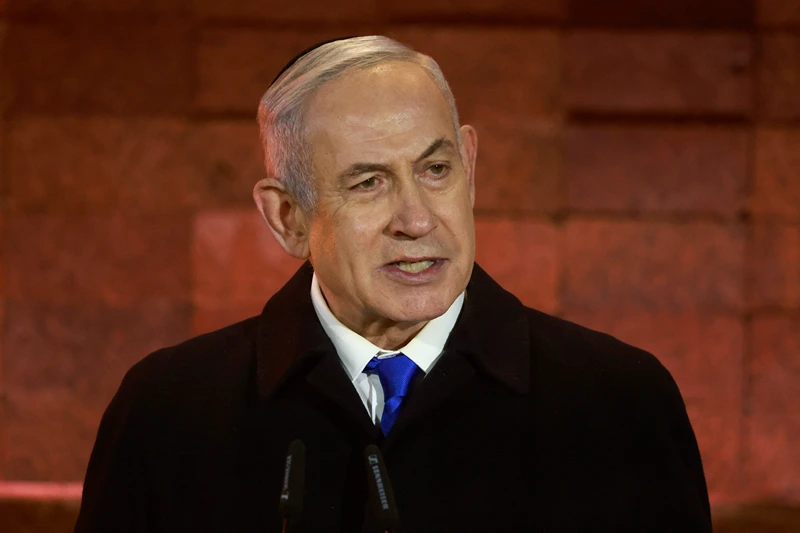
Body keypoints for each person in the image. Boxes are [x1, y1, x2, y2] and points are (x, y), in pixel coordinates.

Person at [74, 36, 712, 532]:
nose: (416, 219)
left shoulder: (622, 402)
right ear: (288, 217)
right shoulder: (166, 410)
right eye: (368, 182)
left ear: (469, 167)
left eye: (436, 169)